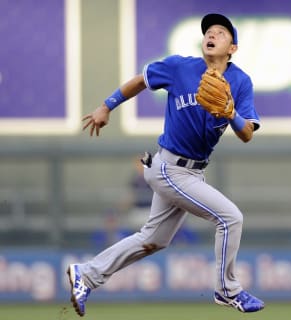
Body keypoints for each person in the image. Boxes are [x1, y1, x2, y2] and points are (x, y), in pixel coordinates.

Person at [66, 13, 264, 316]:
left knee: (153, 239)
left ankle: (87, 275)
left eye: (220, 32)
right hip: (169, 168)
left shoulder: (240, 82)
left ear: (232, 48)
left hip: (194, 172)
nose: (211, 34)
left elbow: (247, 133)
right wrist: (106, 106)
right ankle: (227, 289)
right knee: (230, 219)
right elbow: (140, 81)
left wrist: (230, 113)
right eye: (208, 31)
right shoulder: (179, 67)